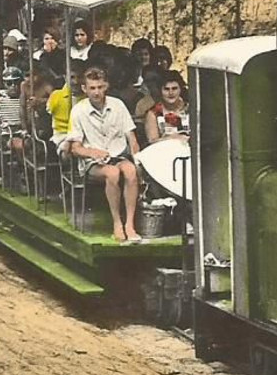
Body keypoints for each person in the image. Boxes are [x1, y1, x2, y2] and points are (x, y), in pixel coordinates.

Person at [62, 66, 142, 243]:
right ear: (84, 89)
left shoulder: (118, 105)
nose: (96, 92)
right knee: (112, 173)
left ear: (106, 86)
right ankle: (117, 223)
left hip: (117, 155)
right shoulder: (78, 110)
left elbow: (132, 137)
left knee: (130, 171)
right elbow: (75, 148)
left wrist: (137, 160)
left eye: (100, 87)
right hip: (93, 162)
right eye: (92, 88)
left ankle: (130, 223)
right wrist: (92, 152)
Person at [144, 70, 192, 145]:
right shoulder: (153, 114)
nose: (171, 93)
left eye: (174, 88)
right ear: (160, 90)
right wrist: (174, 138)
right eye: (166, 89)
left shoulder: (191, 109)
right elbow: (152, 142)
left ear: (180, 89)